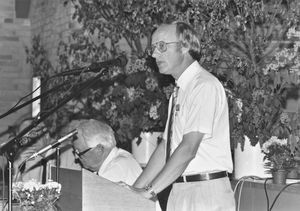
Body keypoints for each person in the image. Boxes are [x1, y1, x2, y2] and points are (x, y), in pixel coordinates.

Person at [132, 22, 235, 211]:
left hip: (204, 192)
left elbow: (188, 148)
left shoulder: (203, 86)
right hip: (179, 189)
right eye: (153, 48)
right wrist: (133, 191)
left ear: (185, 45)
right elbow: (166, 148)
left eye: (162, 46)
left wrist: (148, 192)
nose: (154, 54)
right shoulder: (179, 91)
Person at [72, 119, 142, 185]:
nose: (76, 157)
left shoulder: (114, 170)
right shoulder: (121, 159)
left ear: (99, 149)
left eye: (79, 152)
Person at [13, 117, 52, 182]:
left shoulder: (63, 154)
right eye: (24, 139)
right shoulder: (30, 160)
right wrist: (16, 167)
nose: (29, 141)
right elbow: (21, 190)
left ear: (46, 135)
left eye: (32, 134)